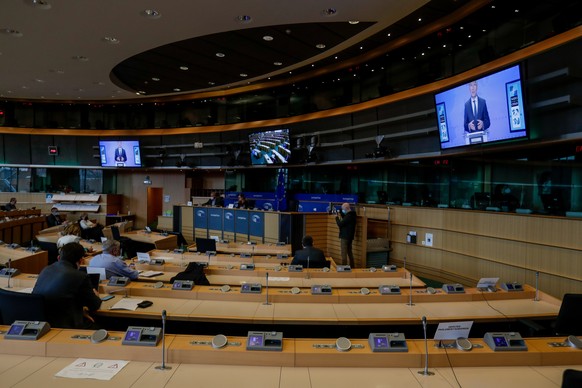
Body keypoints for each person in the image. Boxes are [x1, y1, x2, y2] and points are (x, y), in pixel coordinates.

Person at [32, 242, 102, 329]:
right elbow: (94, 305)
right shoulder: (80, 276)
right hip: (66, 326)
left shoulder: (45, 270)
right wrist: (96, 296)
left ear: (59, 258)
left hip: (41, 324)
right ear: (80, 261)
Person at [335, 202, 357, 267]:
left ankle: (343, 268)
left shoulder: (348, 216)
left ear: (346, 208)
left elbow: (340, 224)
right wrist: (341, 212)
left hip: (345, 237)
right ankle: (352, 267)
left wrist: (336, 218)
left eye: (343, 209)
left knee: (343, 253)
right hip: (350, 236)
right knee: (350, 252)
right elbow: (345, 218)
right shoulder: (352, 215)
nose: (342, 210)